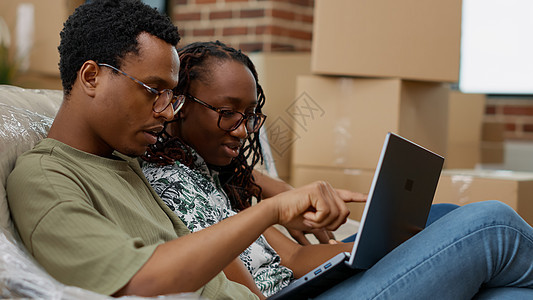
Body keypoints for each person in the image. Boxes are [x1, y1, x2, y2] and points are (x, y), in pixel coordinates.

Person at [6, 1, 359, 298]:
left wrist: (273, 187)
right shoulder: (45, 178)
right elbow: (141, 280)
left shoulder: (126, 160)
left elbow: (198, 170)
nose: (165, 111)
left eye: (171, 96)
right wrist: (273, 210)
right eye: (152, 89)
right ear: (91, 77)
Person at [141, 40, 533, 299]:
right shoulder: (168, 185)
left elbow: (292, 259)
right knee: (490, 223)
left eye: (249, 116)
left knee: (454, 227)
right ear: (179, 103)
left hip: (300, 285)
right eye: (228, 114)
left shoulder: (207, 173)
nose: (243, 131)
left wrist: (374, 250)